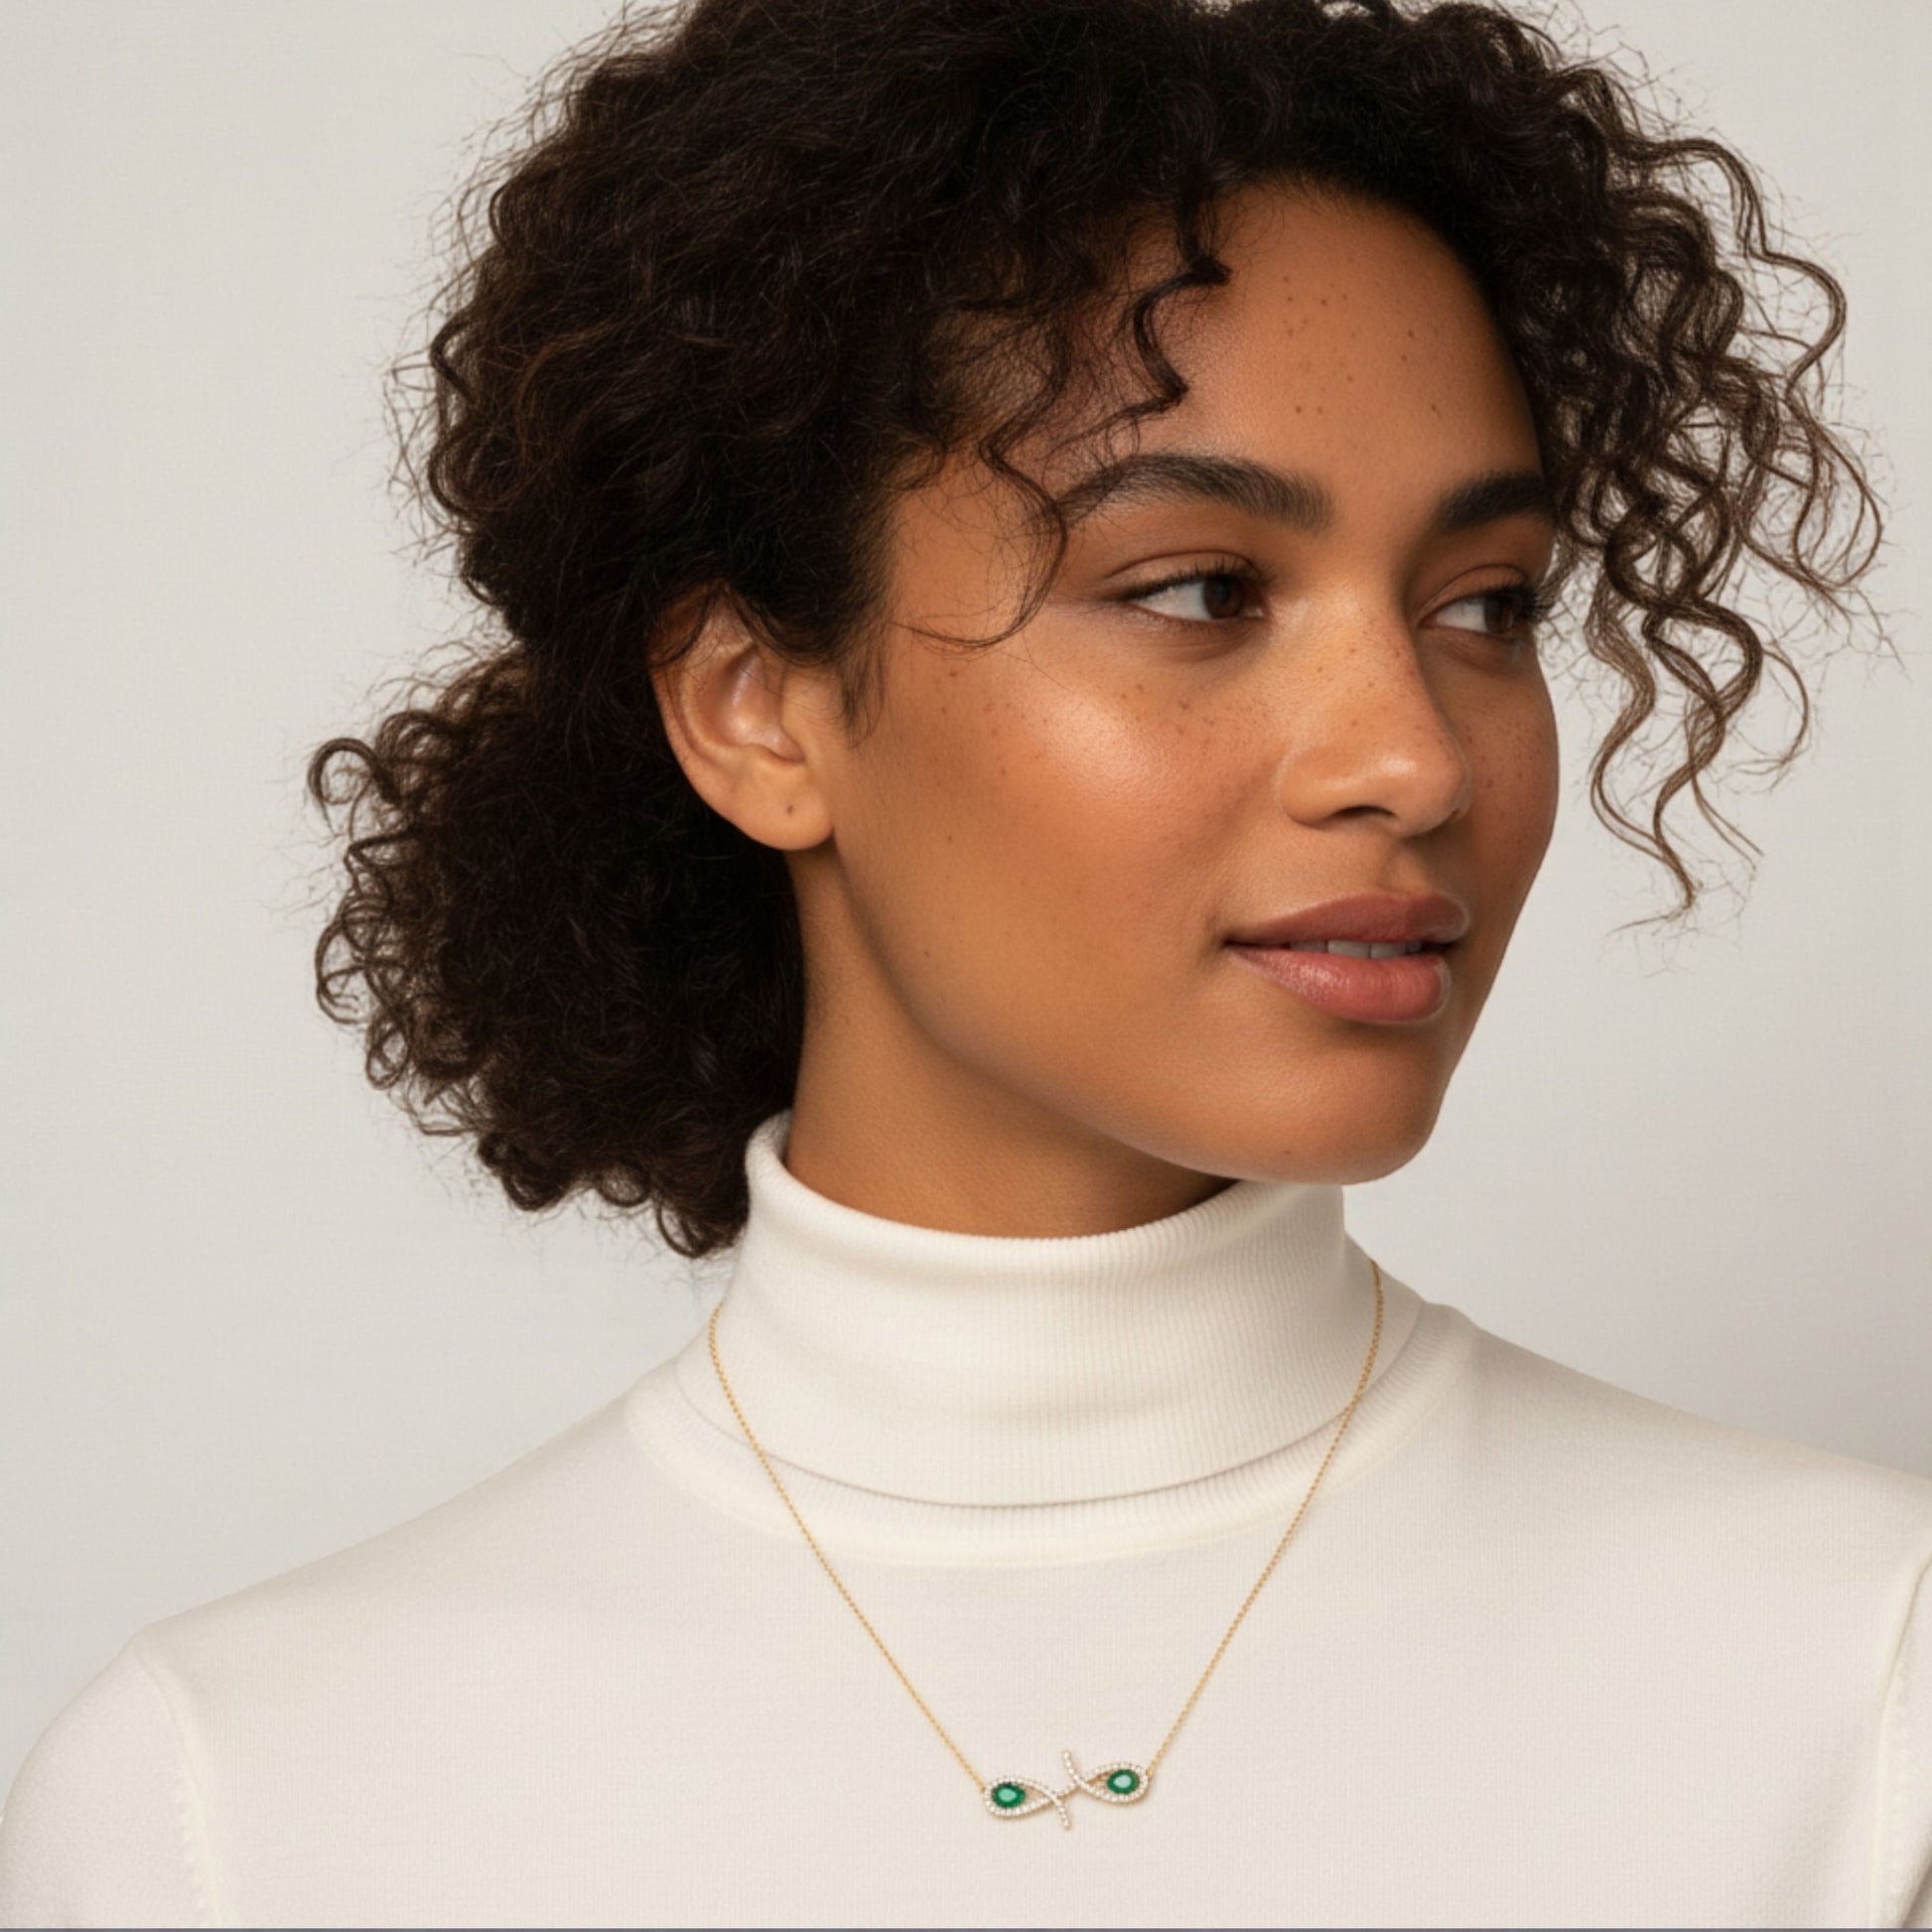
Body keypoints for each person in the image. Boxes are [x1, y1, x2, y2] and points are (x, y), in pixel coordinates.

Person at [2, 0, 1925, 1923]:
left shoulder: (1860, 1687)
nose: (1414, 756)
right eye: (1198, 590)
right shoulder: (234, 1809)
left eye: (1483, 604)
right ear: (761, 709)